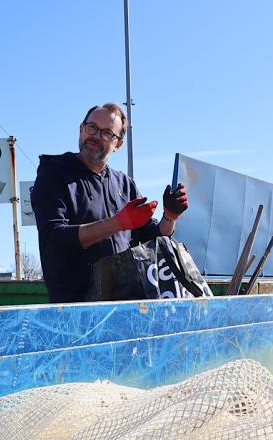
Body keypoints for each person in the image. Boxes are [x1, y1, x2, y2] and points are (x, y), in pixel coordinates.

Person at [31, 103, 189, 303]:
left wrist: (170, 216)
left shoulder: (125, 184)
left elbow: (152, 239)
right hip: (75, 310)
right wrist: (118, 223)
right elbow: (53, 238)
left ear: (118, 144)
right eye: (92, 128)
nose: (96, 136)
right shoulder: (54, 174)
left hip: (124, 306)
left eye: (106, 133)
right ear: (81, 128)